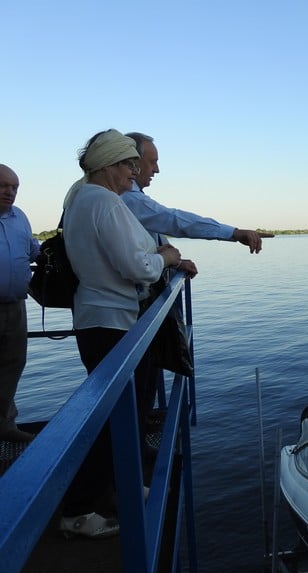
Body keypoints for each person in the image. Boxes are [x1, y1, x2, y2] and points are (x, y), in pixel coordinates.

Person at [59, 129, 185, 538]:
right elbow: (137, 267)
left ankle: (119, 487)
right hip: (112, 324)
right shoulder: (105, 203)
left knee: (119, 415)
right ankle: (76, 511)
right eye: (131, 165)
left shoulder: (78, 198)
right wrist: (165, 256)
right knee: (116, 419)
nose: (135, 174)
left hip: (98, 320)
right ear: (111, 165)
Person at [122, 132, 272, 253]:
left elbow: (159, 224)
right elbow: (172, 219)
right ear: (134, 161)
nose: (157, 170)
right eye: (152, 162)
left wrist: (177, 263)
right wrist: (233, 233)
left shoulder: (130, 196)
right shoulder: (127, 197)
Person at [0, 164, 40, 443]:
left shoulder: (20, 218)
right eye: (4, 185)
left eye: (14, 187)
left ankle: (5, 425)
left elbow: (34, 251)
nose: (10, 192)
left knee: (13, 364)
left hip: (15, 306)